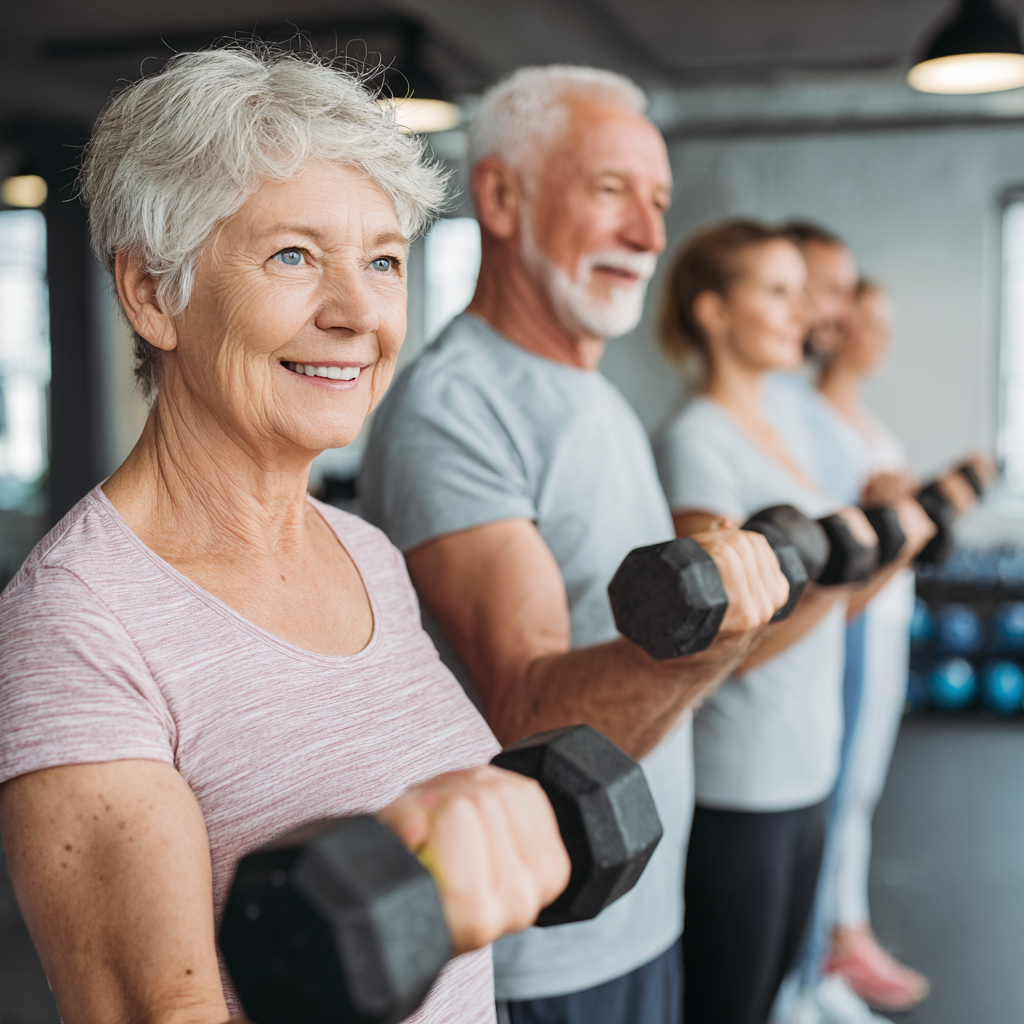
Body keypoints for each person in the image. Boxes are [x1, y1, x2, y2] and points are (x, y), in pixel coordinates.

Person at [0, 47, 577, 1024]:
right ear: (152, 293)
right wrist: (383, 897)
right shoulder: (77, 627)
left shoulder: (367, 555)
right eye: (293, 256)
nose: (358, 312)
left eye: (383, 260)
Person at [359, 67, 790, 1024]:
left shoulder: (593, 391)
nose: (648, 234)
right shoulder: (456, 407)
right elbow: (525, 714)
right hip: (548, 953)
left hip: (641, 909)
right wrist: (719, 633)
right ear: (502, 197)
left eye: (658, 202)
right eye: (610, 192)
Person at [653, 220, 936, 1024]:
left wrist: (886, 549)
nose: (800, 312)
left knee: (779, 989)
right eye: (776, 293)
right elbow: (716, 644)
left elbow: (828, 604)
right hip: (743, 778)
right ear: (713, 312)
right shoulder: (698, 442)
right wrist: (841, 571)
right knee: (730, 1006)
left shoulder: (782, 438)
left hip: (808, 764)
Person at [814, 279, 994, 1013]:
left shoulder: (861, 420)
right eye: (874, 323)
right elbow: (840, 533)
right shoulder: (815, 419)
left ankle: (842, 933)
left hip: (889, 614)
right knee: (837, 789)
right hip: (850, 619)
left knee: (860, 788)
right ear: (839, 325)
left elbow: (894, 520)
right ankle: (831, 944)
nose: (886, 337)